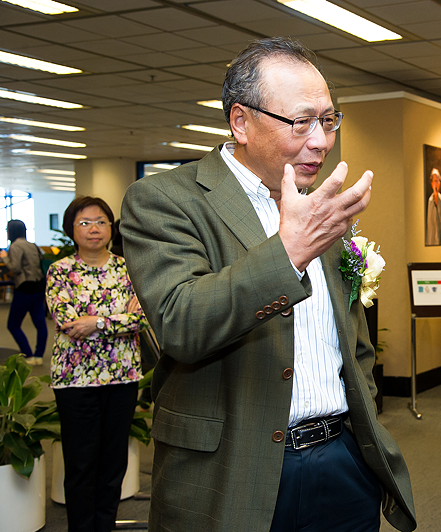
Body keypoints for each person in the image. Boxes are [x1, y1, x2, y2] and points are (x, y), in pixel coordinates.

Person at [120, 37, 415, 532]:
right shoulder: (165, 199)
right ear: (241, 122)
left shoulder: (320, 206)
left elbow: (353, 340)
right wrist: (290, 252)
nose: (321, 141)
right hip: (232, 470)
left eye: (328, 120)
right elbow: (181, 323)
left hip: (342, 463)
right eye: (301, 122)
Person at [46, 196, 147, 532]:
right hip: (75, 380)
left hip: (122, 377)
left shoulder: (129, 268)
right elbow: (67, 322)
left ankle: (104, 527)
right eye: (85, 222)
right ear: (71, 229)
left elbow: (143, 318)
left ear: (111, 227)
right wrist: (118, 320)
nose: (94, 229)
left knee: (113, 462)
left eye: (101, 221)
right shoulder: (60, 271)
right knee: (80, 463)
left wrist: (95, 322)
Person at [1, 219, 47, 366]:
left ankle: (28, 354)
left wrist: (4, 257)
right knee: (40, 323)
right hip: (39, 287)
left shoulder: (15, 246)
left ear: (11, 231)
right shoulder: (33, 245)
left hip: (25, 289)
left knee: (13, 325)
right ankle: (39, 355)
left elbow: (15, 268)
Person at [427, 167, 441, 245]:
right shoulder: (430, 201)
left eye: (437, 181)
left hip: (440, 239)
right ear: (432, 184)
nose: (436, 183)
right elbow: (429, 225)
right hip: (432, 239)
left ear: (439, 183)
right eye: (434, 181)